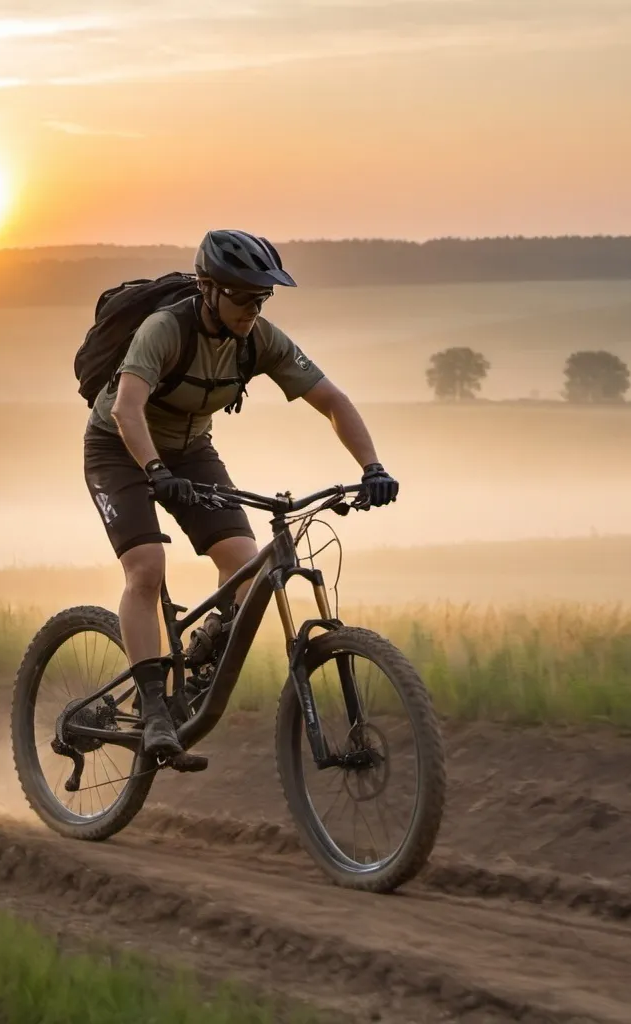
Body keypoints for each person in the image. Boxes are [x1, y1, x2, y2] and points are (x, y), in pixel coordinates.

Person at [83, 229, 398, 761]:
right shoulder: (164, 330)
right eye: (244, 296)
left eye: (263, 297)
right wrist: (155, 470)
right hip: (119, 447)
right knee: (146, 569)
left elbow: (334, 401)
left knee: (246, 568)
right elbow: (126, 408)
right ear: (208, 289)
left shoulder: (259, 339)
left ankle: (203, 654)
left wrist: (373, 466)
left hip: (190, 453)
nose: (255, 308)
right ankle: (154, 711)